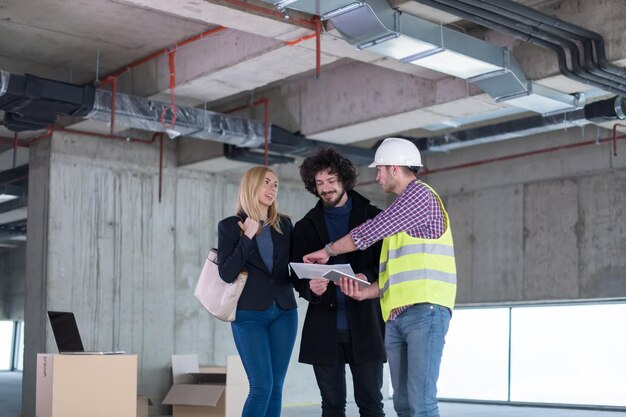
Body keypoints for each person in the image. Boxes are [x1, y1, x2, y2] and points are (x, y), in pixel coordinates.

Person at [303, 138, 457, 417]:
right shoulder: (401, 214)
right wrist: (367, 291)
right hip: (398, 315)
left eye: (380, 169)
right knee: (403, 404)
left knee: (421, 403)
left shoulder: (419, 197)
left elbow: (368, 232)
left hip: (426, 311)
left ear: (395, 169)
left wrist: (328, 250)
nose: (376, 176)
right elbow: (394, 273)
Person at [291, 148, 386, 417]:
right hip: (324, 329)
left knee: (371, 405)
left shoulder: (373, 217)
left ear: (343, 179)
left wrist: (365, 277)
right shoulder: (305, 227)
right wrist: (311, 289)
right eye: (319, 183)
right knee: (331, 407)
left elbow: (385, 264)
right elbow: (297, 277)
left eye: (331, 181)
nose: (326, 189)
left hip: (366, 325)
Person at [217, 166, 298, 417]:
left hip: (284, 311)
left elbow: (291, 268)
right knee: (261, 386)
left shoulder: (284, 224)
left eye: (275, 184)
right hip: (249, 314)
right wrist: (247, 236)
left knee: (276, 387)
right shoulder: (230, 226)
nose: (272, 188)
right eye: (266, 182)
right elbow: (226, 273)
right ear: (251, 186)